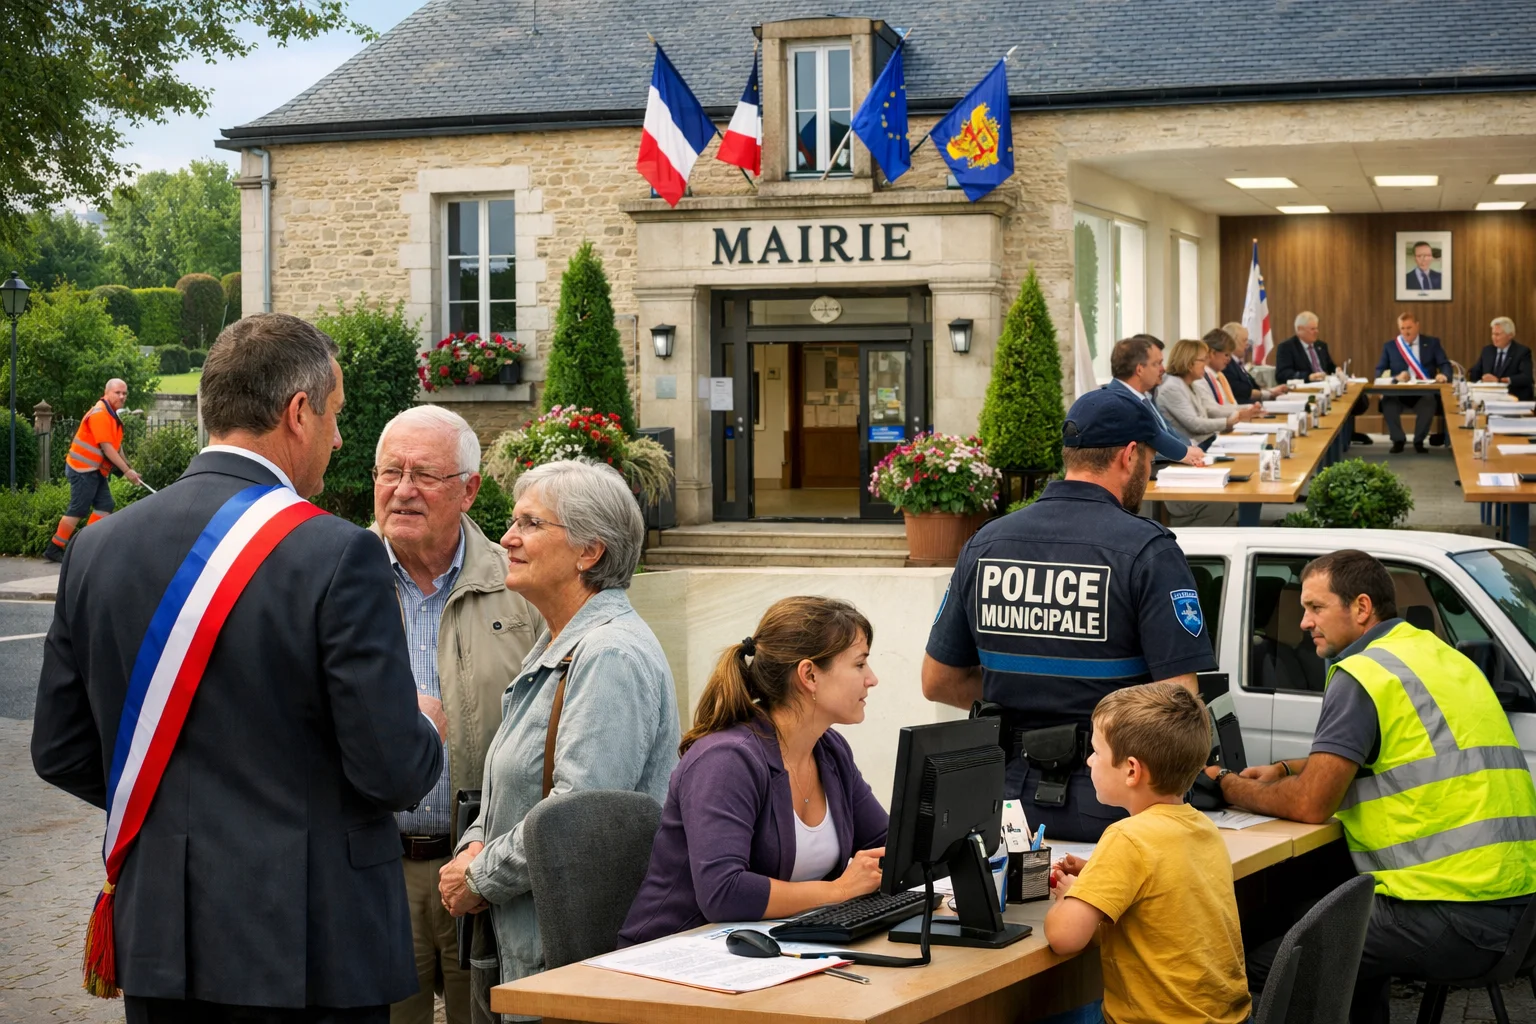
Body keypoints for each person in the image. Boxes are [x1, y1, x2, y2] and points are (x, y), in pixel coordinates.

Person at [32, 313, 445, 1024]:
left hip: (164, 932)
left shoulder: (99, 550)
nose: (340, 439)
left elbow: (60, 750)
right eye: (336, 415)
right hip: (311, 946)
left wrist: (182, 824)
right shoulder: (340, 554)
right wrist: (425, 728)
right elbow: (390, 771)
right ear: (297, 412)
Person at [1206, 550, 1536, 1024]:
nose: (1303, 622)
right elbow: (1406, 752)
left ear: (1361, 608)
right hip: (1517, 910)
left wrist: (1229, 785)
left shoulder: (1363, 673)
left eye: (1315, 608)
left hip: (1454, 916)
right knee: (1327, 918)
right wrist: (1284, 767)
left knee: (1271, 959)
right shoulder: (1440, 656)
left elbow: (1311, 803)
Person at [437, 460, 679, 1022]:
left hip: (569, 969)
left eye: (530, 523)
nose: (507, 538)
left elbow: (575, 817)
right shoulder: (561, 642)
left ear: (589, 551)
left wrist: (478, 874)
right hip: (531, 951)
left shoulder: (608, 655)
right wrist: (475, 843)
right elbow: (511, 785)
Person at [921, 387, 1215, 841]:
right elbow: (1177, 703)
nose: (1151, 472)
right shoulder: (1147, 550)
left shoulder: (986, 543)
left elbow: (938, 680)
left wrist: (1025, 698)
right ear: (1129, 455)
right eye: (1152, 459)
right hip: (1115, 802)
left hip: (1000, 804)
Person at [369, 406, 543, 1024]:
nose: (403, 489)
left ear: (469, 489)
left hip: (484, 872)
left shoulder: (521, 586)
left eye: (425, 475)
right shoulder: (340, 581)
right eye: (391, 472)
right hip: (375, 869)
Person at [619, 597, 888, 946]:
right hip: (676, 958)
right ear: (809, 675)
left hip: (773, 952)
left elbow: (886, 844)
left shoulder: (829, 751)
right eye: (860, 664)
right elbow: (723, 892)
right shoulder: (726, 760)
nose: (872, 679)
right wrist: (838, 891)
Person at [1045, 683, 1250, 1024]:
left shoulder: (1127, 837)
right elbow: (1161, 886)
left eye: (1096, 751)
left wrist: (1071, 897)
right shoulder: (1203, 828)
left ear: (1131, 770)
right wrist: (1097, 877)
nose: (1089, 760)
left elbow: (1065, 937)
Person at [44, 378, 143, 562]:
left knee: (105, 505)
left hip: (94, 470)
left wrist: (129, 468)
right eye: (118, 392)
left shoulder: (111, 415)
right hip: (82, 469)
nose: (122, 396)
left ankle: (85, 548)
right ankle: (55, 547)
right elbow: (107, 448)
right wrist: (127, 472)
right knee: (79, 508)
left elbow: (116, 446)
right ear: (107, 393)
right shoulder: (100, 414)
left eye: (124, 393)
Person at [1106, 335, 1205, 466]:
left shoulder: (1140, 397)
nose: (1162, 369)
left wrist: (1187, 451)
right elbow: (1137, 452)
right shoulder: (1120, 402)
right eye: (1156, 364)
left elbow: (1165, 430)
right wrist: (1185, 453)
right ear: (1140, 369)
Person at [1275, 312, 1372, 444]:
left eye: (1317, 328)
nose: (1316, 332)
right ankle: (1339, 437)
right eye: (1312, 329)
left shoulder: (1321, 345)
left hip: (1327, 387)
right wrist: (1308, 376)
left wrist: (1337, 370)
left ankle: (1347, 434)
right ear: (1300, 330)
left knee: (1356, 397)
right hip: (1307, 390)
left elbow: (1330, 366)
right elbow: (1282, 374)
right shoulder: (1286, 347)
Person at [1156, 339, 1260, 446]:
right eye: (1202, 360)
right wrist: (1227, 422)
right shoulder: (1172, 387)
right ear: (1189, 362)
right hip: (1192, 448)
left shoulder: (1191, 384)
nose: (1205, 365)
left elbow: (1210, 409)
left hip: (1205, 441)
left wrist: (1243, 411)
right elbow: (1194, 424)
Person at [1375, 311, 1451, 453]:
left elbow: (1444, 364)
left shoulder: (1432, 343)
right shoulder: (1390, 346)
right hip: (1398, 392)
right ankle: (1398, 440)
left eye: (1409, 328)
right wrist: (1395, 378)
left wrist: (1444, 376)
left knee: (1429, 403)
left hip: (1424, 391)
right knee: (1387, 402)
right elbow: (1379, 371)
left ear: (1417, 326)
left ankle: (1419, 441)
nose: (1406, 332)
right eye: (1402, 328)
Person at [1218, 322, 1288, 403]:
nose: (1248, 344)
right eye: (1244, 340)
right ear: (1232, 342)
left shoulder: (1237, 363)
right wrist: (1269, 394)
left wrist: (1271, 391)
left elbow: (1252, 388)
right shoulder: (1226, 365)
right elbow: (1241, 392)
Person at [1467, 316, 1533, 401]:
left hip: (1513, 398)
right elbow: (1475, 372)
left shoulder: (1522, 352)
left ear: (1510, 335)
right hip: (1488, 397)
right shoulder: (1487, 351)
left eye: (1497, 334)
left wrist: (1499, 380)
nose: (1494, 337)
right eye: (1493, 334)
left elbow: (1526, 377)